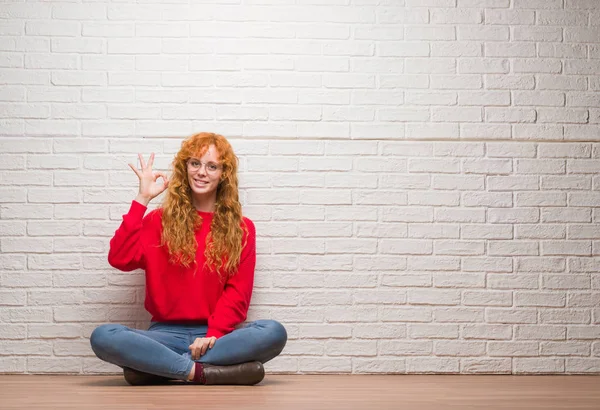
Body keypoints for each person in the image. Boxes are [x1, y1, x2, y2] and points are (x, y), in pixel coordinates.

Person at [90, 132, 287, 386]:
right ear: (185, 167)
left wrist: (213, 334)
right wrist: (142, 199)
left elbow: (238, 295)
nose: (202, 172)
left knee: (273, 332)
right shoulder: (157, 221)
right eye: (195, 163)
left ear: (223, 174)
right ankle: (199, 372)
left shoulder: (243, 229)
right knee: (104, 336)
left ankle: (158, 366)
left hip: (217, 338)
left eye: (211, 166)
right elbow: (119, 258)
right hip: (164, 333)